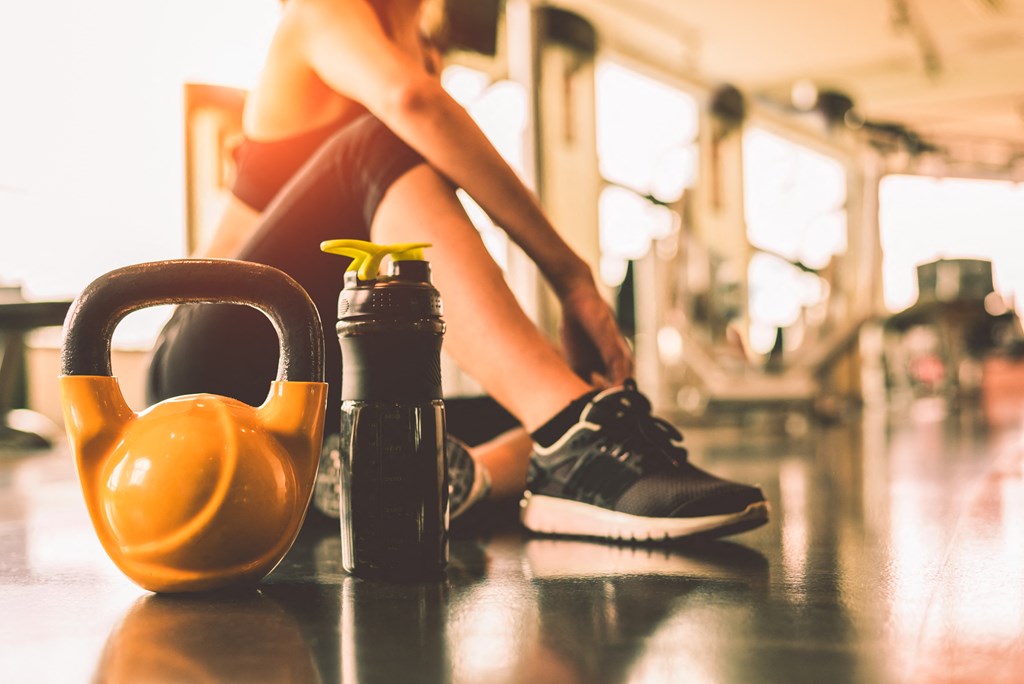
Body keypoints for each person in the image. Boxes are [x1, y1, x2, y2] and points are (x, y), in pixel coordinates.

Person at [147, 0, 768, 541]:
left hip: (323, 394)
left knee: (565, 385)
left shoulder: (417, 52)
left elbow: (436, 233)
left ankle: (422, 479)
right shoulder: (320, 12)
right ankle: (570, 441)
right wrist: (570, 275)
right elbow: (411, 103)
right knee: (377, 138)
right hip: (212, 371)